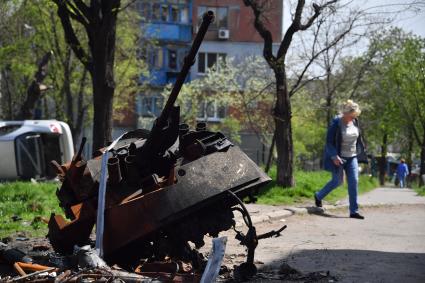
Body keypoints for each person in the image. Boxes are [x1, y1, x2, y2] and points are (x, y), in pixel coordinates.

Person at [314, 100, 367, 219]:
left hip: (352, 156)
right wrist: (334, 156)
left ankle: (354, 211)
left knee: (354, 182)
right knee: (337, 181)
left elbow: (358, 137)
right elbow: (329, 142)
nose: (354, 117)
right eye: (352, 115)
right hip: (339, 157)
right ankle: (318, 196)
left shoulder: (355, 121)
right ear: (346, 113)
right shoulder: (336, 123)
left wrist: (362, 149)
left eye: (355, 115)